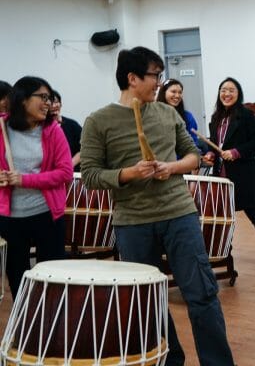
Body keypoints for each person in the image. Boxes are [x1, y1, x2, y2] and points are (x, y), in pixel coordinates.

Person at [80, 47, 235, 366]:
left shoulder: (167, 114)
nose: (159, 83)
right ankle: (170, 359)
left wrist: (172, 167)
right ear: (132, 78)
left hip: (179, 214)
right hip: (132, 222)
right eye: (155, 76)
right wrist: (128, 173)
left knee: (203, 295)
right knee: (148, 300)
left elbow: (192, 155)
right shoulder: (98, 121)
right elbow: (91, 175)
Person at [0, 76, 72, 299]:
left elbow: (65, 173)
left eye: (49, 98)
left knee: (53, 276)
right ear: (22, 99)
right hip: (10, 217)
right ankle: (24, 327)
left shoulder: (52, 130)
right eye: (42, 97)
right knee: (17, 277)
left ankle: (51, 326)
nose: (48, 103)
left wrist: (24, 180)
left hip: (47, 214)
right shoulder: (2, 127)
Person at [203, 77, 255, 274]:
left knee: (253, 213)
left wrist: (235, 152)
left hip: (243, 174)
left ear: (238, 94)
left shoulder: (246, 115)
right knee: (222, 217)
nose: (227, 94)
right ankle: (219, 253)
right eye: (223, 90)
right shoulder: (215, 117)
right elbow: (214, 142)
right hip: (222, 175)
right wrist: (211, 154)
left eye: (231, 90)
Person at [156, 78, 201, 150]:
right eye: (173, 92)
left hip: (183, 158)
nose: (177, 96)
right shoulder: (154, 114)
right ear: (163, 92)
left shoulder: (188, 116)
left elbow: (193, 142)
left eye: (180, 92)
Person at [49, 90, 82, 169]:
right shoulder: (41, 127)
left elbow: (84, 149)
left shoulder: (72, 125)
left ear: (61, 104)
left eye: (56, 102)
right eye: (51, 103)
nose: (54, 105)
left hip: (72, 173)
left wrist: (69, 166)